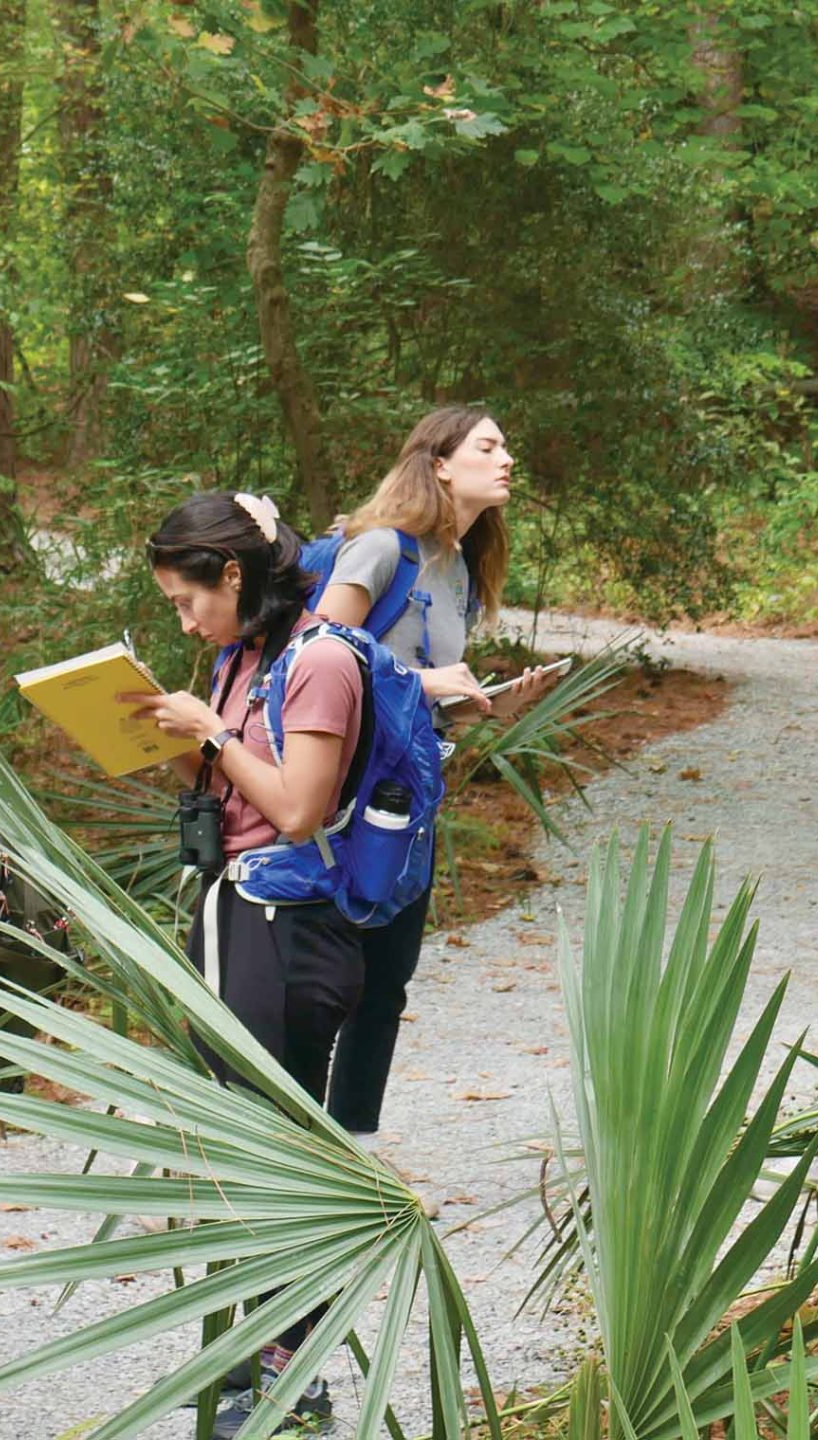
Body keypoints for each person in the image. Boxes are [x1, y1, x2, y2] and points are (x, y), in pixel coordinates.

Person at [127, 490, 371, 1438]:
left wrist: (215, 735)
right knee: (245, 1150)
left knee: (273, 1161)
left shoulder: (318, 662)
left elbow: (299, 808)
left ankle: (290, 1375)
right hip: (238, 914)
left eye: (189, 602)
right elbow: (234, 794)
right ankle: (267, 1362)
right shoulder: (246, 658)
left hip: (288, 926)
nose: (185, 622)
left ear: (233, 573)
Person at [314, 405, 559, 1138]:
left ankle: (353, 1146)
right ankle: (287, 1142)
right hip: (339, 798)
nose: (507, 456)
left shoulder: (458, 569)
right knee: (329, 979)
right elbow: (321, 651)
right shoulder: (382, 549)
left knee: (387, 981)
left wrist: (486, 704)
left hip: (408, 794)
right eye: (490, 444)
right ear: (441, 464)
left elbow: (423, 692)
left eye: (506, 442)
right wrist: (428, 685)